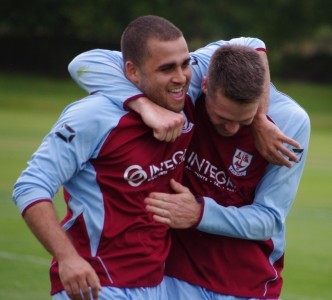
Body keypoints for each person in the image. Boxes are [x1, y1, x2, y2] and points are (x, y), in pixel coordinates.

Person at [68, 36, 310, 299]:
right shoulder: (187, 80)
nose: (231, 129)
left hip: (247, 282)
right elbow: (84, 63)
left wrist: (199, 213)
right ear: (204, 85)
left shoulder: (290, 123)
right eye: (221, 118)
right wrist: (145, 106)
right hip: (174, 274)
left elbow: (269, 221)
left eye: (244, 121)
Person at [13, 15, 195, 300]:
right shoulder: (92, 116)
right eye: (166, 68)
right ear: (132, 72)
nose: (181, 77)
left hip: (157, 285)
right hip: (97, 286)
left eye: (186, 64)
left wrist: (259, 121)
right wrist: (67, 258)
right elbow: (30, 186)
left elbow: (251, 46)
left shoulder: (184, 101)